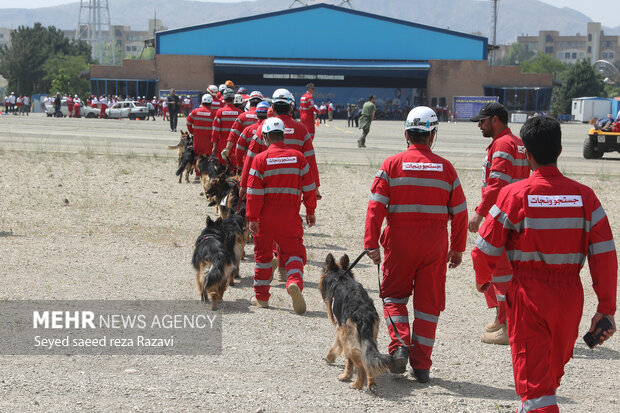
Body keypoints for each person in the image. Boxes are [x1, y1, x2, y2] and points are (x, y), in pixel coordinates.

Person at [471, 116, 617, 413]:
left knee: (537, 389)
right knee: (547, 380)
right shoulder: (585, 197)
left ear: (526, 154)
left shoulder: (515, 194)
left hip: (529, 299)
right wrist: (606, 309)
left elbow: (483, 249)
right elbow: (604, 255)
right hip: (569, 299)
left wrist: (483, 280)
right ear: (560, 150)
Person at [364, 106, 467, 383]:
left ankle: (399, 347)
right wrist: (457, 247)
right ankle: (421, 366)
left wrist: (371, 243)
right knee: (428, 307)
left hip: (399, 244)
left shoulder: (391, 165)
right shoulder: (446, 169)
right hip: (435, 247)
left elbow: (375, 208)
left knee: (394, 297)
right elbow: (460, 212)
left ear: (406, 133)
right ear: (432, 135)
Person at [468, 102, 530, 345]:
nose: (479, 126)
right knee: (502, 270)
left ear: (495, 120)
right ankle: (502, 317)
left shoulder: (503, 144)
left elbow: (498, 184)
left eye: (482, 121)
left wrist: (480, 213)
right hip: (515, 213)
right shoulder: (516, 142)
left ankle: (508, 325)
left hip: (503, 214)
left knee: (499, 271)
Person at [246, 117, 317, 315]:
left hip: (265, 217)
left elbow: (253, 193)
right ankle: (293, 281)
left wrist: (252, 217)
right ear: (283, 135)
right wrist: (310, 211)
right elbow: (309, 187)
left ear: (266, 137)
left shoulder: (259, 159)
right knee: (294, 253)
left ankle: (261, 297)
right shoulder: (298, 157)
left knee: (263, 256)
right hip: (290, 216)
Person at [222, 90, 263, 168]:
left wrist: (227, 149)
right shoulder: (268, 118)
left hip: (247, 157)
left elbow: (234, 135)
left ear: (249, 102)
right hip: (263, 157)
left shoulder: (242, 116)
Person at [211, 88, 243, 167]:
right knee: (234, 166)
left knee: (222, 166)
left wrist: (214, 146)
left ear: (224, 99)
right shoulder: (240, 112)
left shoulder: (220, 112)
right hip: (236, 143)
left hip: (222, 143)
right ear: (233, 98)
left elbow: (215, 130)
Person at [235, 101, 270, 167]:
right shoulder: (274, 131)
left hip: (250, 166)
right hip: (269, 167)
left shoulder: (248, 130)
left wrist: (240, 164)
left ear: (257, 114)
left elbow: (239, 149)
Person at [187, 93, 216, 159]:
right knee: (207, 158)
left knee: (197, 157)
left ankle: (197, 169)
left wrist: (192, 132)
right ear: (211, 102)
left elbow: (188, 122)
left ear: (202, 102)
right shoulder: (213, 114)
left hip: (197, 138)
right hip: (208, 139)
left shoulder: (195, 111)